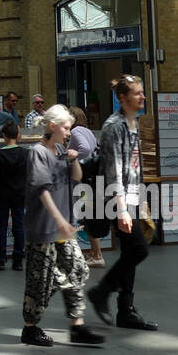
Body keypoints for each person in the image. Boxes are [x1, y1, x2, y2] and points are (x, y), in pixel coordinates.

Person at [20, 104, 105, 349]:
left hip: (63, 228)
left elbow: (77, 177)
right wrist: (59, 220)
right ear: (53, 126)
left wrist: (74, 159)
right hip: (44, 228)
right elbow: (42, 190)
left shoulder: (61, 150)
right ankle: (30, 328)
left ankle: (77, 325)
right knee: (39, 280)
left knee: (78, 269)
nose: (69, 132)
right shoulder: (37, 153)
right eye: (66, 128)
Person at [88, 76, 158, 330]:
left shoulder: (133, 123)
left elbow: (134, 167)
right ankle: (101, 292)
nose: (142, 97)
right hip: (116, 199)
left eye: (142, 92)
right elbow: (114, 170)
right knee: (139, 250)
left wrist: (141, 199)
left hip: (131, 197)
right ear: (122, 98)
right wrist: (121, 210)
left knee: (131, 251)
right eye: (137, 93)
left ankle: (125, 310)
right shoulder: (114, 126)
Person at [0, 119, 27, 271]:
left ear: (3, 135)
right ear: (18, 135)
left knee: (1, 226)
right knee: (19, 226)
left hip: (2, 194)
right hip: (20, 194)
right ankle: (18, 260)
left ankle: (0, 259)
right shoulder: (26, 154)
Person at [69, 106, 104, 268]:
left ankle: (97, 256)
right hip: (91, 179)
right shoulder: (88, 131)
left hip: (83, 179)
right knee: (90, 215)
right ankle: (95, 253)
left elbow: (85, 149)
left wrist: (75, 160)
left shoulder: (76, 131)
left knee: (87, 216)